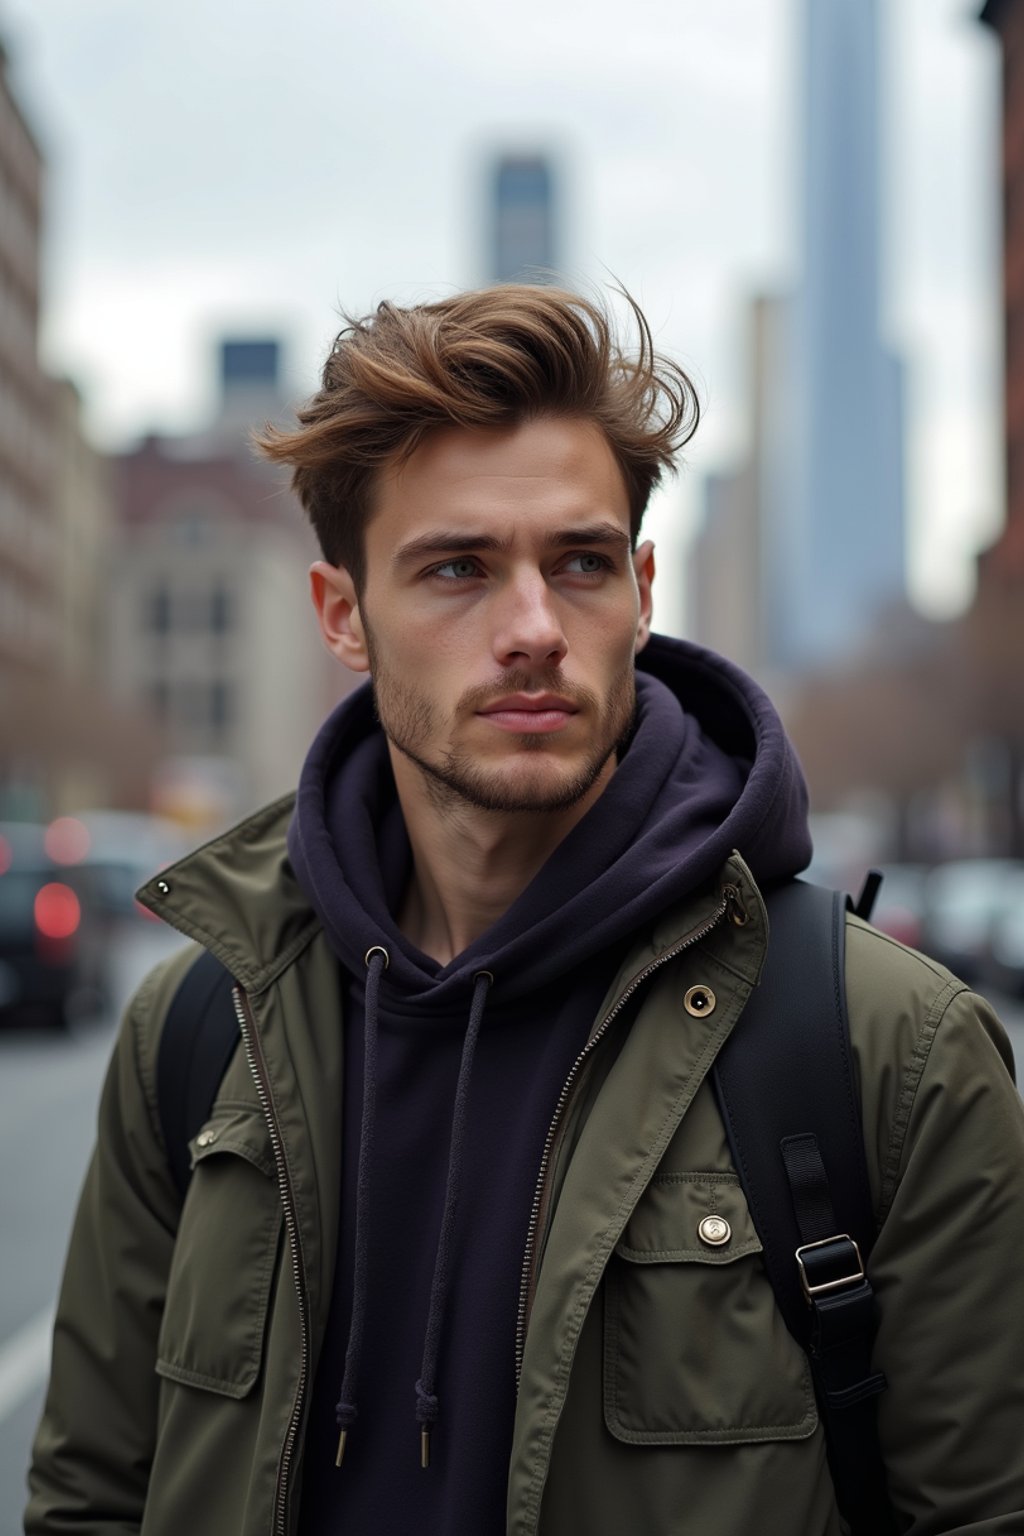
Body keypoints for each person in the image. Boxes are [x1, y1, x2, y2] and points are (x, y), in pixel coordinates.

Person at [25, 286, 1024, 1536]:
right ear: (345, 617)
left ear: (644, 590)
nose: (535, 629)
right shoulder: (199, 1032)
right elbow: (90, 1498)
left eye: (581, 563)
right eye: (457, 569)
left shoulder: (886, 1048)